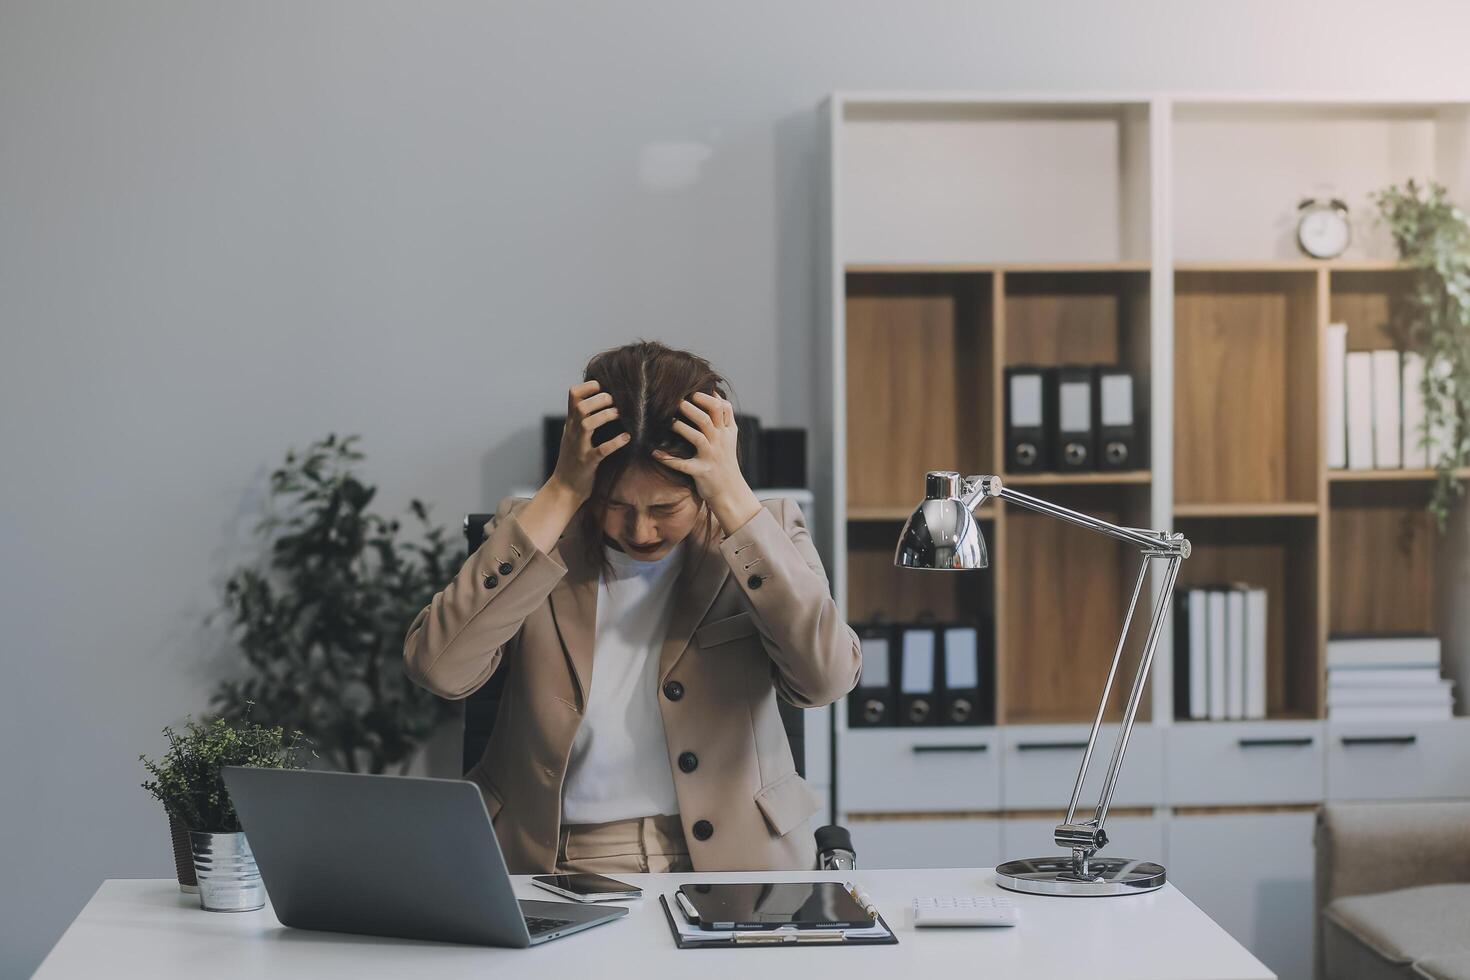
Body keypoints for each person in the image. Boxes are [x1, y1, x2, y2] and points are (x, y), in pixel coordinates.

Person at [404, 340, 861, 875]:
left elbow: (826, 679)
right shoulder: (536, 531)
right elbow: (439, 668)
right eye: (615, 505)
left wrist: (735, 498)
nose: (640, 530)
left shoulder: (765, 533)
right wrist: (561, 491)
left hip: (734, 862)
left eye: (665, 508)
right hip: (555, 860)